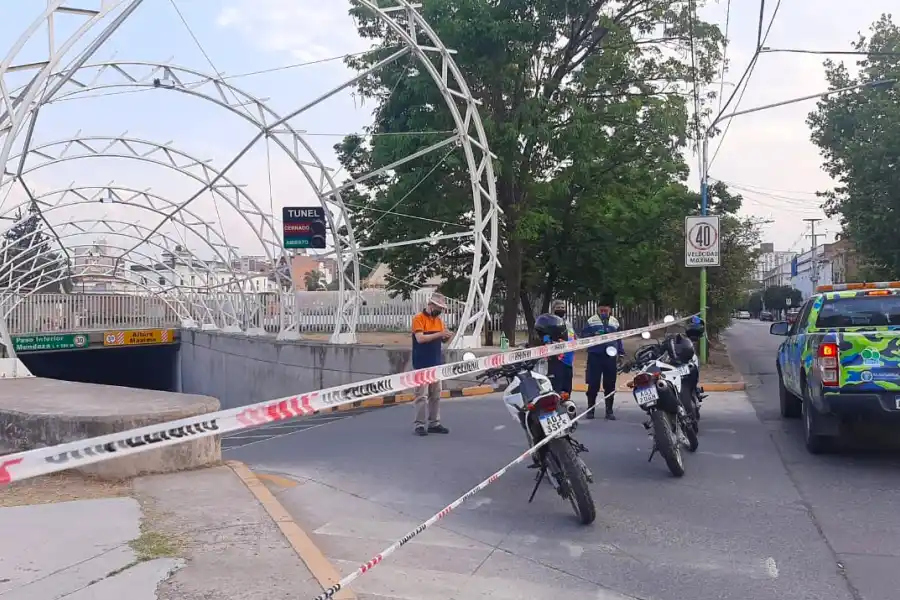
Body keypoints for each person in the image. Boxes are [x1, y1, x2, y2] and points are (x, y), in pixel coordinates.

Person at [411, 293, 453, 436]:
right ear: (431, 305)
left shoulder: (439, 321)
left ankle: (434, 422)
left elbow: (442, 341)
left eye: (442, 308)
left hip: (435, 363)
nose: (440, 310)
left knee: (435, 395)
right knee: (421, 395)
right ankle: (419, 424)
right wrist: (439, 334)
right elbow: (420, 338)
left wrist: (446, 337)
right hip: (421, 363)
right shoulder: (418, 319)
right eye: (438, 307)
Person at [581, 305, 624, 420]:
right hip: (595, 355)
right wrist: (593, 336)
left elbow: (619, 339)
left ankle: (609, 411)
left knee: (610, 384)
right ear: (598, 309)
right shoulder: (591, 321)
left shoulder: (615, 322)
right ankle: (590, 410)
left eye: (606, 309)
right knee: (593, 383)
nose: (604, 311)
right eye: (602, 309)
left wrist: (621, 353)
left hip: (610, 357)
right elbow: (583, 336)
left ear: (610, 310)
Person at [543, 300, 575, 397]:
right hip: (557, 360)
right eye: (558, 308)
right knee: (557, 388)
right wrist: (549, 343)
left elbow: (572, 336)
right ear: (553, 310)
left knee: (567, 389)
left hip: (569, 360)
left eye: (563, 308)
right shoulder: (550, 323)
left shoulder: (568, 323)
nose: (561, 310)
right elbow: (545, 337)